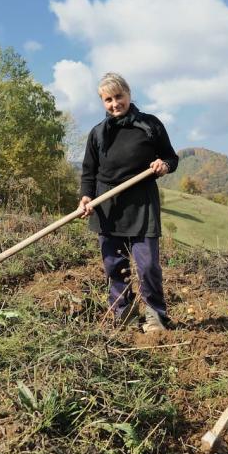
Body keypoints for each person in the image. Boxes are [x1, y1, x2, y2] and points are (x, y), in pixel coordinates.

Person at [78, 72, 178, 332]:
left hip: (141, 205)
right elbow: (89, 171)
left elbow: (171, 157)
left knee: (147, 266)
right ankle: (124, 315)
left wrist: (163, 164)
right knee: (114, 265)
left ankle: (156, 316)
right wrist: (86, 197)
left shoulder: (149, 125)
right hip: (107, 206)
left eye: (118, 96)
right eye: (108, 99)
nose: (114, 104)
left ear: (129, 94)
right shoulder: (98, 133)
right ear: (103, 102)